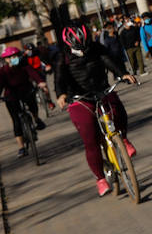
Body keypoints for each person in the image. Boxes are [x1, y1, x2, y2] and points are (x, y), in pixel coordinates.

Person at [53, 26, 138, 196]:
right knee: (90, 139)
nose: (84, 50)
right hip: (79, 99)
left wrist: (123, 74)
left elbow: (109, 61)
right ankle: (100, 179)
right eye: (79, 47)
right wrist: (61, 94)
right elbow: (59, 78)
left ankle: (124, 140)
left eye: (86, 45)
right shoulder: (63, 57)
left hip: (101, 90)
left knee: (118, 110)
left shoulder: (96, 48)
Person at [1, 45, 48, 157]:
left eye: (16, 56)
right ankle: (21, 147)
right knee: (16, 121)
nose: (13, 58)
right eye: (10, 57)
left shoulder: (24, 66)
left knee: (33, 105)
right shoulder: (2, 71)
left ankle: (36, 119)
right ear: (6, 59)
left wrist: (41, 82)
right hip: (11, 97)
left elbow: (34, 74)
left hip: (26, 91)